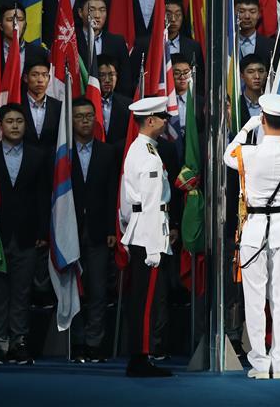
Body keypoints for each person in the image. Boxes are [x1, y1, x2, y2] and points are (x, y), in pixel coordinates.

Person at [223, 94, 280, 380]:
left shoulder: (249, 153)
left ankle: (260, 364)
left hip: (255, 228)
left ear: (262, 119)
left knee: (254, 298)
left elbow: (227, 155)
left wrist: (248, 127)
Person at [0, 104, 51, 366]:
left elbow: (43, 196)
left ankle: (19, 343)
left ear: (26, 126)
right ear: (0, 127)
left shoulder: (37, 156)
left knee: (22, 292)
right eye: (9, 121)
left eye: (19, 121)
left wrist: (42, 230)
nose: (14, 125)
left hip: (27, 234)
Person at [120, 96, 174, 377]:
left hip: (139, 230)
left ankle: (140, 356)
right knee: (146, 301)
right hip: (148, 235)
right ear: (150, 120)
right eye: (163, 117)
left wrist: (126, 227)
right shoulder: (149, 156)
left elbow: (126, 201)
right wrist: (154, 247)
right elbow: (152, 205)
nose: (167, 121)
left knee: (142, 299)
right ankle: (140, 358)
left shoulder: (137, 149)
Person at [69, 97, 118, 363]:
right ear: (72, 120)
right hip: (69, 230)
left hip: (100, 230)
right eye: (79, 116)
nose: (85, 120)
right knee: (73, 289)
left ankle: (94, 342)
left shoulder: (107, 151)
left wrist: (112, 228)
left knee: (98, 289)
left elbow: (113, 194)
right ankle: (76, 343)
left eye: (89, 116)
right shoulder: (62, 153)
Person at [20, 57, 61, 153]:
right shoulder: (17, 105)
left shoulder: (59, 107)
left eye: (45, 75)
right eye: (35, 75)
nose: (40, 80)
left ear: (49, 78)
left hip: (51, 163)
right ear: (26, 78)